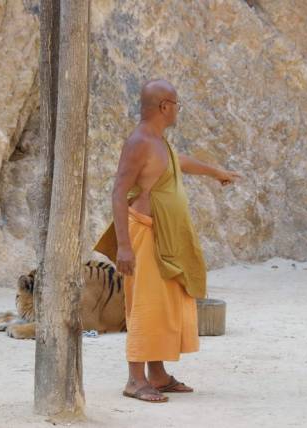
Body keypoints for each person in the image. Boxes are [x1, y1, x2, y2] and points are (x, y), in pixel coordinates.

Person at [94, 79, 241, 403]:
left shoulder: (158, 142)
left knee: (163, 305)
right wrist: (124, 246)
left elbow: (180, 161)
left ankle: (157, 375)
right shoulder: (139, 142)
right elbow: (119, 192)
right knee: (145, 306)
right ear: (164, 106)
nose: (178, 110)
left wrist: (216, 172)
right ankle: (135, 380)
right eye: (176, 104)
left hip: (164, 238)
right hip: (143, 235)